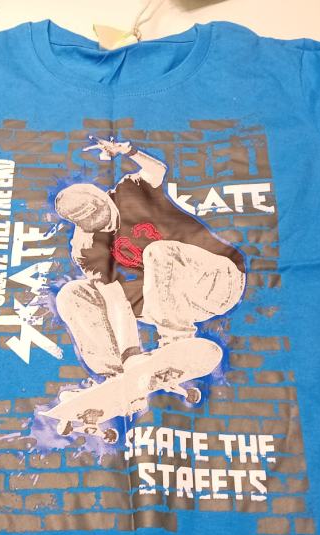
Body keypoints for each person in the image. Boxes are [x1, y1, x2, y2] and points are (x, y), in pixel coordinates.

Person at [54, 135, 246, 382]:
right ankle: (116, 375)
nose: (106, 227)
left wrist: (130, 151)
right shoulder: (85, 246)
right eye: (94, 225)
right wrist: (130, 355)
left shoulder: (131, 189)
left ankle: (175, 342)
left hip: (217, 280)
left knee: (158, 252)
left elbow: (157, 170)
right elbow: (114, 299)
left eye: (106, 218)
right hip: (165, 304)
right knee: (72, 294)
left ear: (105, 199)